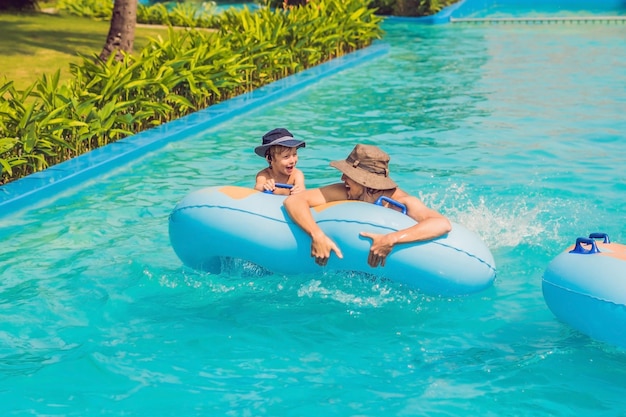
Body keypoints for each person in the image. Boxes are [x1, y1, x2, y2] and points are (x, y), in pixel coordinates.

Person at [283, 144, 452, 267]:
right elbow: (294, 201)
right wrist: (317, 235)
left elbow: (441, 223)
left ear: (365, 181)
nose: (342, 178)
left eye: (349, 175)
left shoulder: (401, 203)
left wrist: (391, 239)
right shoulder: (346, 191)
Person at [254, 128, 306, 195]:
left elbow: (302, 189)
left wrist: (299, 190)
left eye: (294, 154)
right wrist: (264, 187)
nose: (292, 161)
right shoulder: (264, 175)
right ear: (270, 158)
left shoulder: (296, 175)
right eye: (286, 156)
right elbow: (257, 188)